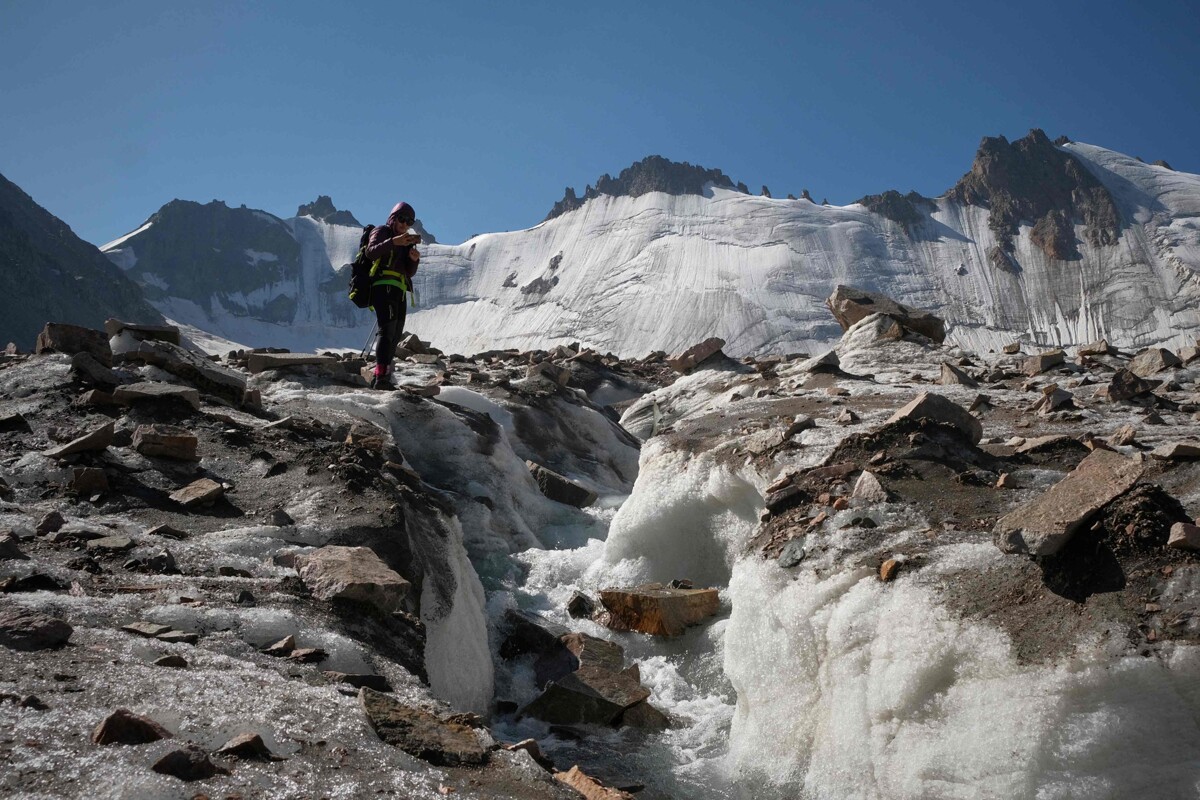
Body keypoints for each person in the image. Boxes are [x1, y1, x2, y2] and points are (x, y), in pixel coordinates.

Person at [363, 201, 421, 390]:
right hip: (383, 286)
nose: (405, 224)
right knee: (386, 331)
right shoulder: (382, 231)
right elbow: (370, 252)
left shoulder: (405, 241)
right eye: (402, 219)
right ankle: (381, 378)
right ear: (393, 218)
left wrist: (413, 260)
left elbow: (408, 272)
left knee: (395, 334)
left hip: (399, 288)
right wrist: (393, 242)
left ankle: (384, 376)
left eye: (409, 221)